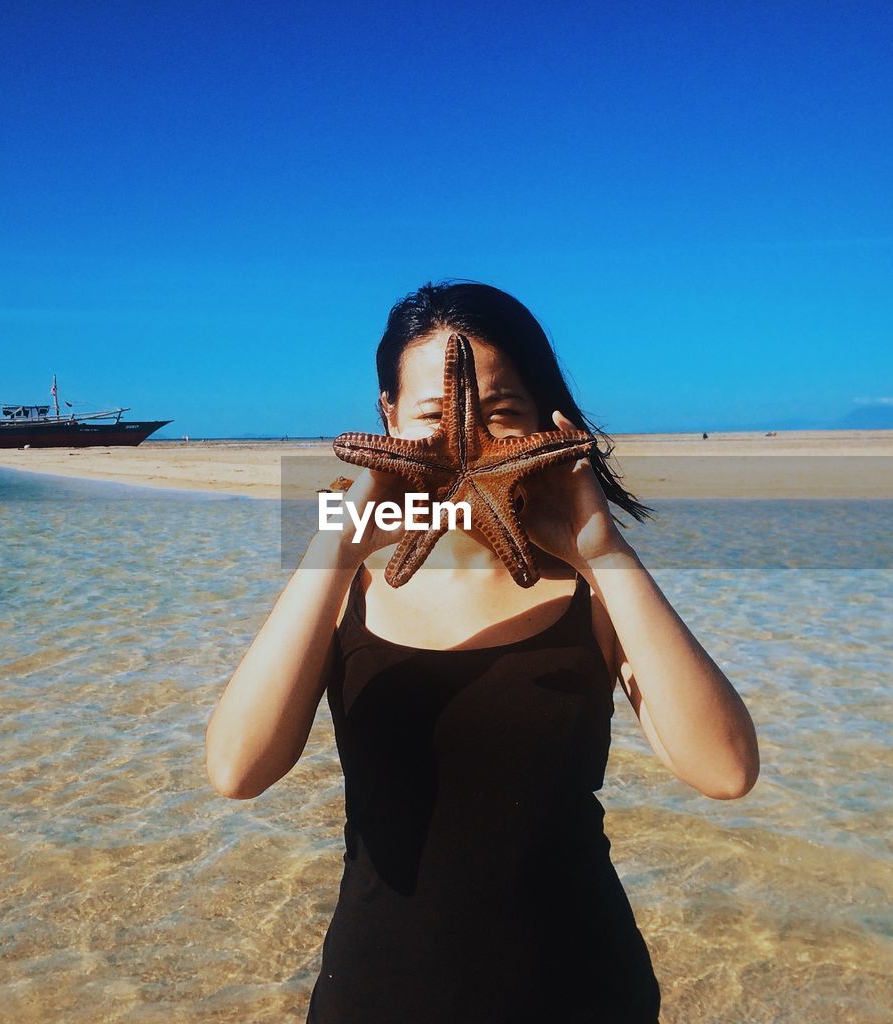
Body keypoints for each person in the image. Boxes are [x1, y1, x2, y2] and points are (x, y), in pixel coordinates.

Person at [205, 281, 760, 1023]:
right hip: (378, 995)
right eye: (434, 416)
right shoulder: (343, 583)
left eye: (500, 414)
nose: (462, 442)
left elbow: (725, 770)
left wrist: (604, 551)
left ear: (545, 424)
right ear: (388, 417)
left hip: (586, 993)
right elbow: (238, 771)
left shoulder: (590, 587)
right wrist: (335, 548)